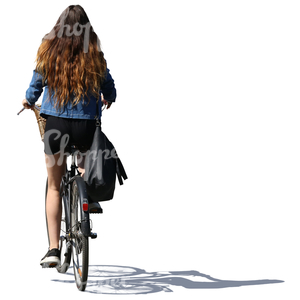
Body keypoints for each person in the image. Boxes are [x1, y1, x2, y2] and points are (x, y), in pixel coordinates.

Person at [22, 5, 116, 268]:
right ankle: (87, 193)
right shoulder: (95, 54)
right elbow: (108, 85)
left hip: (56, 128)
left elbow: (35, 86)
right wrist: (109, 97)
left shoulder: (49, 52)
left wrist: (28, 101)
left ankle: (53, 249)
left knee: (53, 186)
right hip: (85, 128)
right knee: (85, 161)